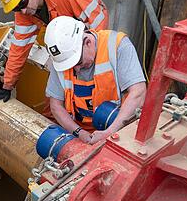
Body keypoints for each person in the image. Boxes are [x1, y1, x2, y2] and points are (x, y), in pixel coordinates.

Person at [0, 0, 109, 104]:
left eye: (22, 3)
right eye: (16, 8)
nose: (23, 11)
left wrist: (90, 65)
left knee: (89, 102)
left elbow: (100, 26)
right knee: (54, 104)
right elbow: (19, 50)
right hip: (64, 55)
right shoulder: (25, 12)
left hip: (89, 52)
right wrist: (7, 86)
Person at [43, 16, 146, 144]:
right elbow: (55, 106)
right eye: (70, 66)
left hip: (117, 128)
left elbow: (139, 92)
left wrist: (109, 133)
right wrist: (79, 132)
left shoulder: (117, 45)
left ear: (88, 42)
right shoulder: (62, 57)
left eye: (78, 62)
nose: (77, 69)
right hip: (80, 131)